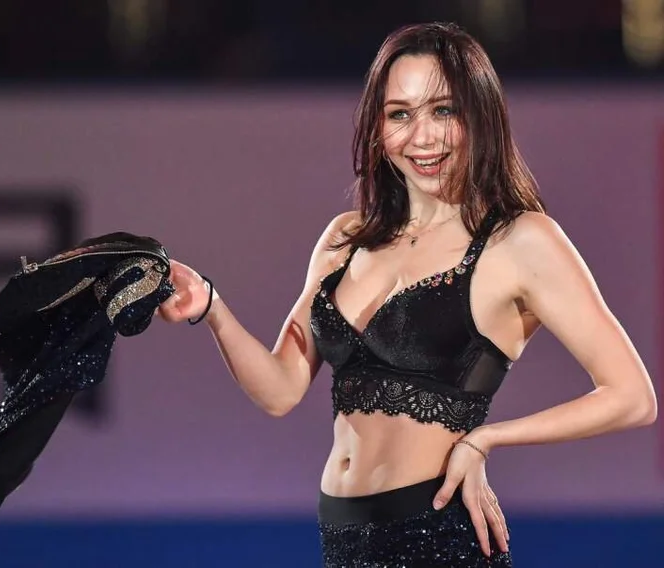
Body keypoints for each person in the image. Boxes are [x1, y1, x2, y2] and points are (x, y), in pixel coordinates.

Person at [157, 22, 658, 567]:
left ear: (480, 115)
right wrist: (211, 307)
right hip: (343, 542)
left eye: (443, 111)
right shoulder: (346, 239)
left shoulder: (520, 241)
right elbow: (280, 390)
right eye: (399, 114)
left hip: (437, 536)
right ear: (377, 128)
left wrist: (486, 439)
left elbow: (632, 397)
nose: (422, 138)